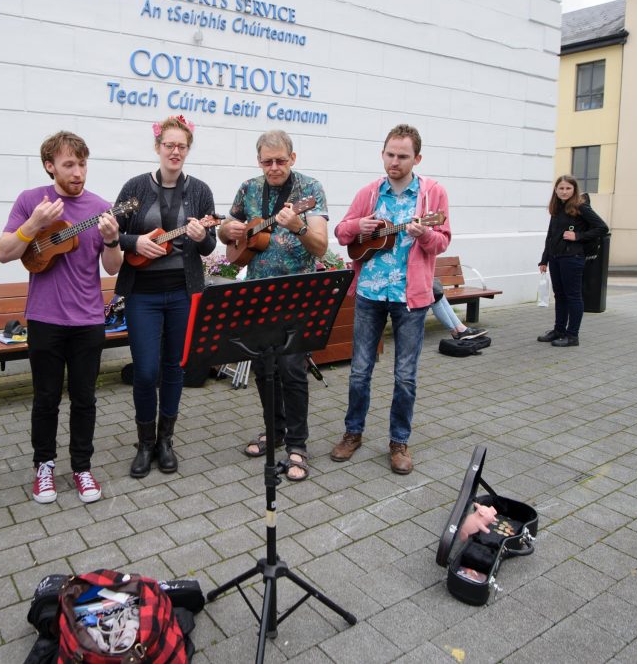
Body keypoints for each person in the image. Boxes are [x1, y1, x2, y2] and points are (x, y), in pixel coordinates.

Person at [0, 132, 122, 503]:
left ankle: (82, 467)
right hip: (45, 318)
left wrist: (113, 240)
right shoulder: (30, 201)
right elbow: (5, 252)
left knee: (85, 398)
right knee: (45, 398)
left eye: (82, 164)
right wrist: (32, 225)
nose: (78, 172)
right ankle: (44, 466)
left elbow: (113, 268)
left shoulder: (100, 207)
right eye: (69, 164)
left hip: (87, 320)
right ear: (50, 165)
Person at [330, 124, 450, 474]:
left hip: (409, 297)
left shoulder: (432, 195)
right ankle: (353, 433)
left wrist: (425, 232)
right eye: (390, 154)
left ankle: (399, 442)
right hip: (369, 292)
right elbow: (341, 232)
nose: (395, 161)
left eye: (403, 156)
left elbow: (442, 241)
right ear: (383, 154)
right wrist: (359, 228)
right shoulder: (370, 192)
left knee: (405, 375)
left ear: (417, 158)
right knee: (359, 371)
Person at [218, 130, 328, 481]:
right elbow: (224, 230)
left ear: (292, 158)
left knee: (293, 370)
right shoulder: (249, 188)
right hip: (258, 293)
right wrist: (229, 231)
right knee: (265, 369)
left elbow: (321, 246)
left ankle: (297, 444)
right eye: (268, 162)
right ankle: (275, 430)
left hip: (298, 293)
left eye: (281, 160)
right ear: (259, 161)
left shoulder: (310, 190)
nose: (275, 167)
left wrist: (298, 226)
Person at [115, 115, 217, 478]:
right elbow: (113, 232)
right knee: (145, 371)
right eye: (169, 145)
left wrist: (200, 236)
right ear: (158, 148)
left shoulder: (200, 190)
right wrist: (135, 241)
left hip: (182, 292)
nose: (175, 151)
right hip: (142, 293)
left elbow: (209, 245)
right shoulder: (135, 187)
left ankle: (165, 441)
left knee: (175, 368)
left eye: (182, 146)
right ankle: (144, 442)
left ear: (188, 150)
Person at [536, 175, 608, 347]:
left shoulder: (581, 207)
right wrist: (544, 259)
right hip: (556, 258)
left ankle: (572, 336)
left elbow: (602, 228)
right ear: (556, 190)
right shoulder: (557, 207)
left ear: (574, 190)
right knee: (559, 296)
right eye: (561, 188)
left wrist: (578, 236)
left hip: (572, 258)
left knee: (573, 297)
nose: (564, 191)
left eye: (568, 188)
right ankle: (559, 330)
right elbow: (551, 236)